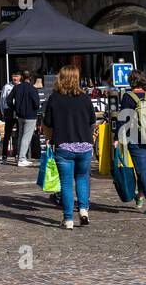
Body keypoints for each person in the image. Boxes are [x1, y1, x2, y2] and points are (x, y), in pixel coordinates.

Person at [42, 65, 98, 229]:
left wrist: (49, 137)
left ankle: (68, 219)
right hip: (85, 145)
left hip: (64, 146)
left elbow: (48, 122)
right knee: (82, 178)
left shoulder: (54, 98)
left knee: (66, 184)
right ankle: (83, 210)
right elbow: (92, 121)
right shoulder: (85, 98)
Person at [116, 71, 146, 216]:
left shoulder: (128, 97)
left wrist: (116, 138)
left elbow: (122, 119)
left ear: (131, 82)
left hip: (136, 139)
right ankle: (141, 196)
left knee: (143, 171)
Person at [9, 72, 40, 167]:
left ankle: (19, 156)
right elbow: (36, 104)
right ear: (30, 78)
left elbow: (8, 100)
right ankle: (22, 158)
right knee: (26, 138)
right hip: (30, 116)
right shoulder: (33, 89)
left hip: (20, 115)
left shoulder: (17, 88)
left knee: (21, 136)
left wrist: (15, 108)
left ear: (22, 77)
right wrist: (35, 109)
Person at [0, 71, 20, 163]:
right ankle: (4, 156)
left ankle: (17, 155)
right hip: (9, 111)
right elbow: (2, 99)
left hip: (18, 111)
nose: (15, 78)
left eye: (17, 76)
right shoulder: (7, 86)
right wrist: (3, 112)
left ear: (20, 77)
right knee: (7, 134)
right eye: (14, 76)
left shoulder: (22, 86)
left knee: (19, 134)